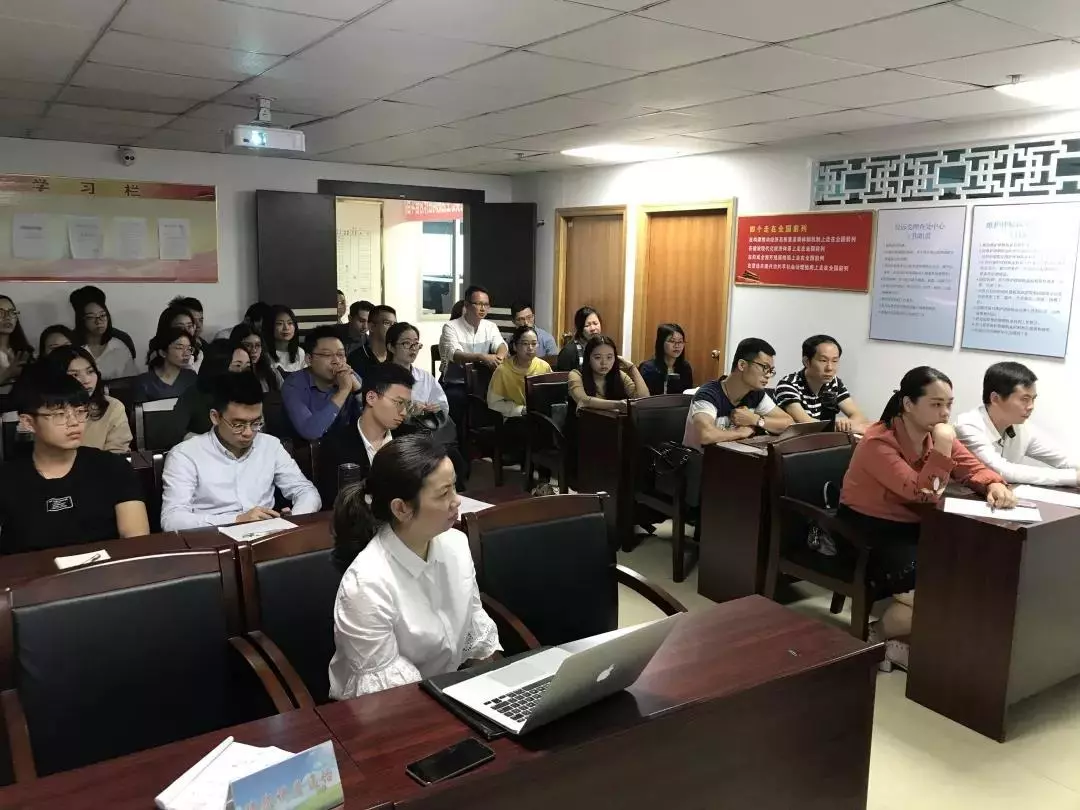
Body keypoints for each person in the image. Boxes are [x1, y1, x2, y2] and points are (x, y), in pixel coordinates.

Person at [839, 366, 1014, 671]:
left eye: (948, 404)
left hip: (915, 526)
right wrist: (944, 446)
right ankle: (876, 637)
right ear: (908, 404)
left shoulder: (935, 432)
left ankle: (906, 642)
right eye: (936, 404)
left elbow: (972, 467)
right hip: (868, 532)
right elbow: (922, 493)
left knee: (968, 575)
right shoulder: (879, 442)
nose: (945, 413)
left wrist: (993, 483)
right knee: (935, 593)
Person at [328, 435, 499, 698]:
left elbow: (475, 627)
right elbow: (392, 696)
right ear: (401, 508)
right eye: (443, 493)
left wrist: (498, 693)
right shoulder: (366, 584)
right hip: (389, 708)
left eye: (454, 487)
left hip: (447, 691)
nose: (457, 501)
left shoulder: (456, 544)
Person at [0, 366, 149, 553]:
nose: (74, 422)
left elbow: (136, 542)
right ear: (28, 422)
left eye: (79, 411)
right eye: (59, 415)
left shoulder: (113, 467)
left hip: (105, 569)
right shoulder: (7, 479)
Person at [161, 373, 321, 530]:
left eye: (256, 423)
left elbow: (306, 491)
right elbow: (172, 520)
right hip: (212, 539)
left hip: (266, 534)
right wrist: (237, 520)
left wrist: (294, 518)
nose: (248, 433)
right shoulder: (185, 455)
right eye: (238, 425)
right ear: (215, 417)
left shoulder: (270, 445)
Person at [956, 361, 1080, 486]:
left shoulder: (1020, 426)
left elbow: (1062, 458)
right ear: (995, 399)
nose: (1031, 406)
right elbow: (1001, 471)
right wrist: (1074, 477)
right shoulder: (968, 426)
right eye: (1025, 399)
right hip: (964, 495)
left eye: (1033, 399)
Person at [315, 363, 414, 507]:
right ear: (371, 397)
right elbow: (333, 503)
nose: (404, 412)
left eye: (407, 405)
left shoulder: (410, 439)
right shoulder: (335, 444)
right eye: (399, 403)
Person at [682, 337, 793, 451]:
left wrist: (756, 420)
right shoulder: (709, 394)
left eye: (771, 370)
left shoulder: (756, 393)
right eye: (765, 367)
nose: (768, 375)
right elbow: (706, 435)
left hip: (734, 457)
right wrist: (740, 433)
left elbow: (788, 424)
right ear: (742, 365)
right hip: (701, 459)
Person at [439, 285, 507, 444]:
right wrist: (481, 357)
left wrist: (499, 357)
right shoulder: (451, 326)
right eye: (478, 304)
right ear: (467, 305)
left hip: (483, 383)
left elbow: (501, 345)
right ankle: (455, 444)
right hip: (456, 382)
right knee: (456, 401)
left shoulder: (490, 327)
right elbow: (455, 354)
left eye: (486, 304)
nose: (483, 308)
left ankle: (491, 446)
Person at [43, 346, 132, 453]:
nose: (86, 380)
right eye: (75, 374)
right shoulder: (43, 411)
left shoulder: (112, 407)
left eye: (90, 371)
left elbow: (118, 454)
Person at [281, 325, 362, 441]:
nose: (336, 361)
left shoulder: (349, 376)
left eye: (340, 355)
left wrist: (358, 390)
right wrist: (343, 391)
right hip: (304, 448)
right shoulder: (293, 385)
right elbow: (310, 431)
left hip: (345, 446)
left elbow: (373, 421)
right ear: (309, 359)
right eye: (327, 355)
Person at [775, 335, 869, 434]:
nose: (830, 368)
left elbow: (859, 416)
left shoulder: (834, 383)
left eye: (835, 361)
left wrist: (847, 424)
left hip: (822, 440)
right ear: (806, 361)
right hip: (796, 441)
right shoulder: (788, 385)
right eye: (823, 360)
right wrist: (840, 426)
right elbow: (805, 423)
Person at [169, 338, 252, 444]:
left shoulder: (249, 394)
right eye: (237, 366)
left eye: (247, 367)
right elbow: (175, 432)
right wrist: (210, 443)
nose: (244, 373)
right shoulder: (194, 394)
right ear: (219, 367)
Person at [567, 335, 647, 413]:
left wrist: (632, 368)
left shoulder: (619, 375)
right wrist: (617, 405)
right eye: (597, 357)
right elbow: (583, 400)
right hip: (584, 421)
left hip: (614, 421)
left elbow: (644, 399)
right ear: (588, 358)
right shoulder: (576, 375)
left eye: (609, 357)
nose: (604, 363)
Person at [70, 286, 139, 375]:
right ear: (80, 319)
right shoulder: (71, 346)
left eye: (102, 315)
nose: (98, 321)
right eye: (91, 317)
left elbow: (132, 378)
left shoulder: (120, 345)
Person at [487, 325, 552, 418]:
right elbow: (493, 403)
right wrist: (520, 410)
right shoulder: (503, 370)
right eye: (525, 344)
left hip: (539, 416)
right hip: (514, 417)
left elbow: (551, 395)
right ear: (515, 346)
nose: (530, 348)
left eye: (534, 344)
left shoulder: (544, 366)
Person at [386, 322, 449, 416]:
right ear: (391, 347)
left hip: (424, 424)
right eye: (406, 343)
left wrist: (433, 409)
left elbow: (443, 406)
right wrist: (409, 413)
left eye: (416, 343)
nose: (413, 348)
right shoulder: (381, 377)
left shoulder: (425, 377)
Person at [135, 327, 198, 401]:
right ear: (163, 352)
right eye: (179, 348)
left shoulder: (191, 377)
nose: (186, 353)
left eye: (189, 348)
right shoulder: (144, 382)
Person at [638, 323, 694, 395]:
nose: (677, 345)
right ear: (661, 343)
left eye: (680, 341)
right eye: (672, 341)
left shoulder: (685, 367)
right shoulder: (648, 368)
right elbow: (644, 397)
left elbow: (687, 394)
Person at [230, 323, 281, 393]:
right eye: (248, 345)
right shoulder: (231, 375)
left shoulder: (273, 374)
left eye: (258, 345)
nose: (254, 350)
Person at [347, 304, 396, 374]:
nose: (393, 328)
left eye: (395, 324)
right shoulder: (355, 359)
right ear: (372, 327)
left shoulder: (397, 357)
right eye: (387, 323)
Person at [156, 303, 203, 373]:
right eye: (180, 327)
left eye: (189, 326)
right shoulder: (161, 353)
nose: (186, 331)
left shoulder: (199, 353)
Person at [0, 295, 34, 386]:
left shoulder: (23, 350)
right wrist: (8, 373)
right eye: (1, 312)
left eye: (12, 312)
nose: (8, 317)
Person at [556, 306, 603, 371]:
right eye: (587, 325)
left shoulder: (605, 347)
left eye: (595, 323)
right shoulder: (569, 352)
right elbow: (562, 376)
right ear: (580, 328)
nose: (593, 328)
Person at [264, 305, 305, 374]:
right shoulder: (263, 354)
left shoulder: (299, 352)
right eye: (280, 323)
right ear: (270, 326)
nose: (286, 328)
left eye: (290, 323)